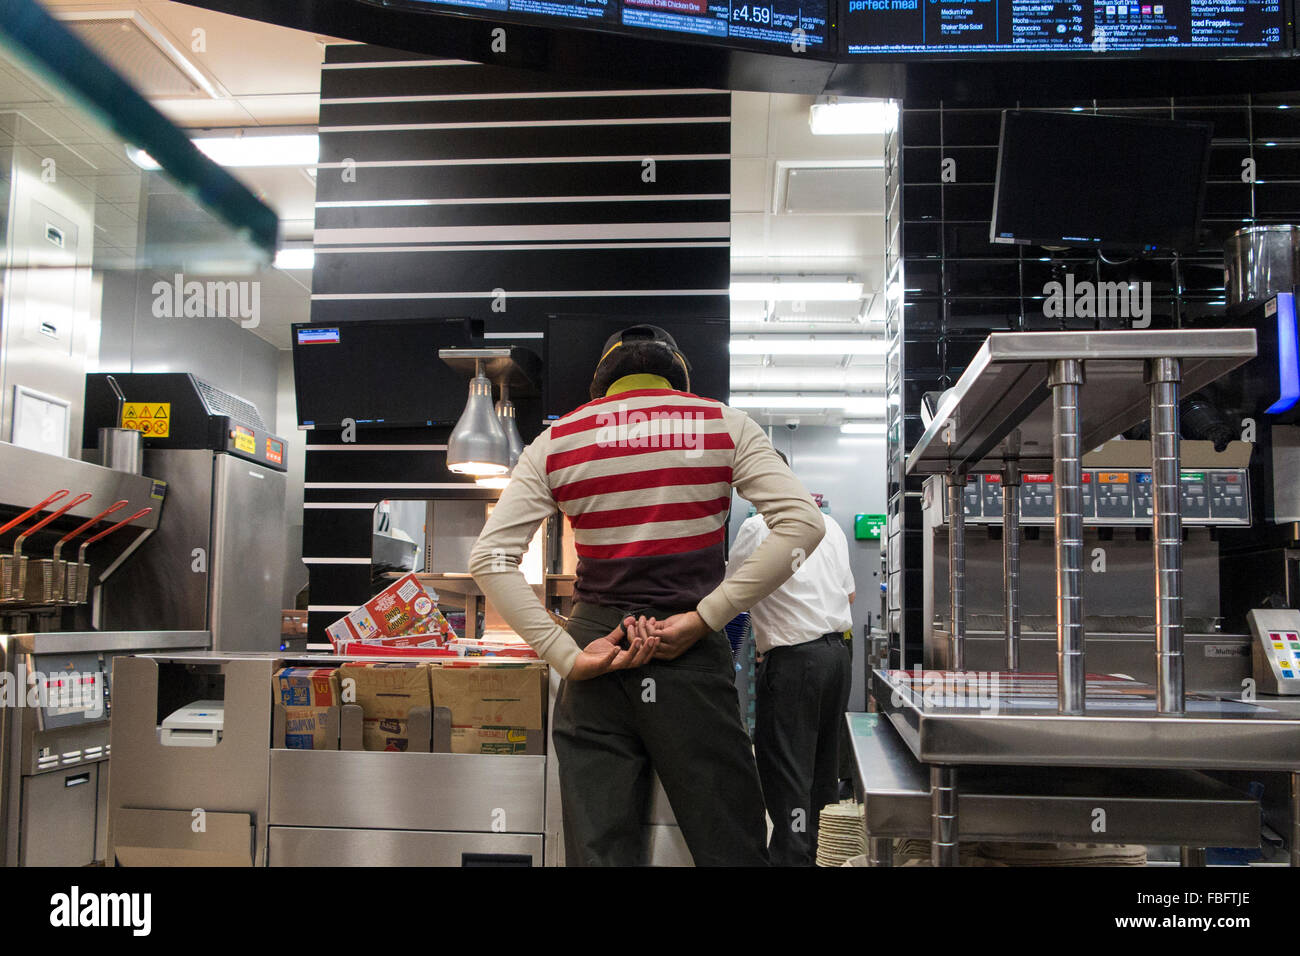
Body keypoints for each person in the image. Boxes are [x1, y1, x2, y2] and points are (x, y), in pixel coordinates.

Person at [469, 324, 825, 866]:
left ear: (602, 384)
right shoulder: (724, 425)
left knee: (598, 847)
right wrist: (708, 617)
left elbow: (489, 560)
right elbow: (803, 525)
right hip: (685, 644)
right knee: (729, 838)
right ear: (677, 378)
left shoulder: (559, 439)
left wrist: (565, 654)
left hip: (596, 650)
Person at [728, 459, 855, 867]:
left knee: (787, 776)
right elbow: (848, 595)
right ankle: (822, 855)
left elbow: (733, 599)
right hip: (837, 657)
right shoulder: (826, 523)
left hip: (795, 661)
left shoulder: (758, 527)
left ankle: (791, 859)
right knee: (822, 771)